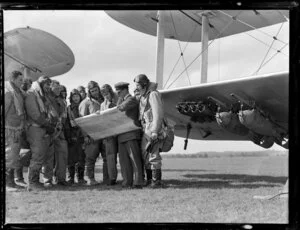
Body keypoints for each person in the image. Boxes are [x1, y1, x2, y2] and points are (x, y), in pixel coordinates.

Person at [25, 76, 57, 191]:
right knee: (37, 155)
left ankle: (39, 181)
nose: (48, 86)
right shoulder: (31, 94)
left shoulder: (43, 96)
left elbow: (49, 112)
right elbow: (34, 113)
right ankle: (33, 183)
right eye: (46, 84)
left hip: (43, 128)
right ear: (40, 83)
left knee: (44, 155)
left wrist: (50, 124)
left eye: (49, 84)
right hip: (35, 128)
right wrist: (46, 124)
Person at [134, 74, 164, 188]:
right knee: (146, 154)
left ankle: (157, 181)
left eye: (138, 85)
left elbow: (158, 114)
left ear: (143, 85)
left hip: (152, 129)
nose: (136, 87)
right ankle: (150, 179)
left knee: (153, 155)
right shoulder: (143, 96)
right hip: (146, 129)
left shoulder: (153, 94)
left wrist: (155, 131)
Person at [114, 82, 143, 189]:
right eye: (117, 91)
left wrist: (118, 102)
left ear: (126, 90)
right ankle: (127, 182)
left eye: (119, 91)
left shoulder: (131, 99)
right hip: (122, 134)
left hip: (131, 133)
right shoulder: (122, 100)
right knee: (123, 161)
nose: (118, 93)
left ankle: (138, 182)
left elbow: (120, 108)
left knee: (134, 159)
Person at [79, 81, 107, 186]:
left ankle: (106, 179)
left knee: (106, 157)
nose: (95, 92)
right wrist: (85, 135)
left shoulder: (103, 100)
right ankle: (91, 179)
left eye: (96, 90)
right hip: (91, 135)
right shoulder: (85, 103)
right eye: (92, 91)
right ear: (89, 91)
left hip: (104, 134)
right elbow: (82, 121)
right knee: (90, 158)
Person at [5, 71, 26, 191]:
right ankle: (8, 184)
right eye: (20, 80)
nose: (22, 83)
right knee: (10, 156)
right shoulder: (8, 93)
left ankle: (11, 182)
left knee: (14, 156)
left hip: (17, 129)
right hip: (9, 129)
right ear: (12, 79)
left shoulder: (18, 93)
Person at [47, 81, 69, 186]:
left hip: (60, 132)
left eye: (59, 88)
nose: (58, 90)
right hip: (48, 130)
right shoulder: (45, 99)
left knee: (62, 155)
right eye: (55, 88)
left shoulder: (63, 101)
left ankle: (61, 179)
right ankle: (47, 180)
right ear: (50, 88)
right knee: (48, 156)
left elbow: (64, 116)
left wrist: (60, 125)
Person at [98, 84, 119, 185]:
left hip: (121, 131)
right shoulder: (102, 105)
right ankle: (112, 178)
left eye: (107, 93)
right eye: (103, 94)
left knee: (125, 156)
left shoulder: (119, 100)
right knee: (110, 156)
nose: (105, 95)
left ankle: (129, 177)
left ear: (111, 91)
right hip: (109, 134)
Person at [65, 89, 86, 185]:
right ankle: (71, 178)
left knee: (81, 158)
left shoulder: (83, 106)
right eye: (74, 96)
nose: (76, 98)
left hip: (82, 135)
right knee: (71, 159)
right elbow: (67, 123)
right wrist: (69, 136)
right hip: (72, 135)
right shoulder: (68, 108)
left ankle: (80, 178)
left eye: (77, 96)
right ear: (71, 98)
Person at [14, 77, 33, 186]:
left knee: (27, 153)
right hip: (19, 128)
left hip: (29, 129)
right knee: (18, 153)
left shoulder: (29, 96)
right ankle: (18, 178)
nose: (28, 85)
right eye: (26, 83)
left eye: (30, 84)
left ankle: (27, 178)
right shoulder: (18, 95)